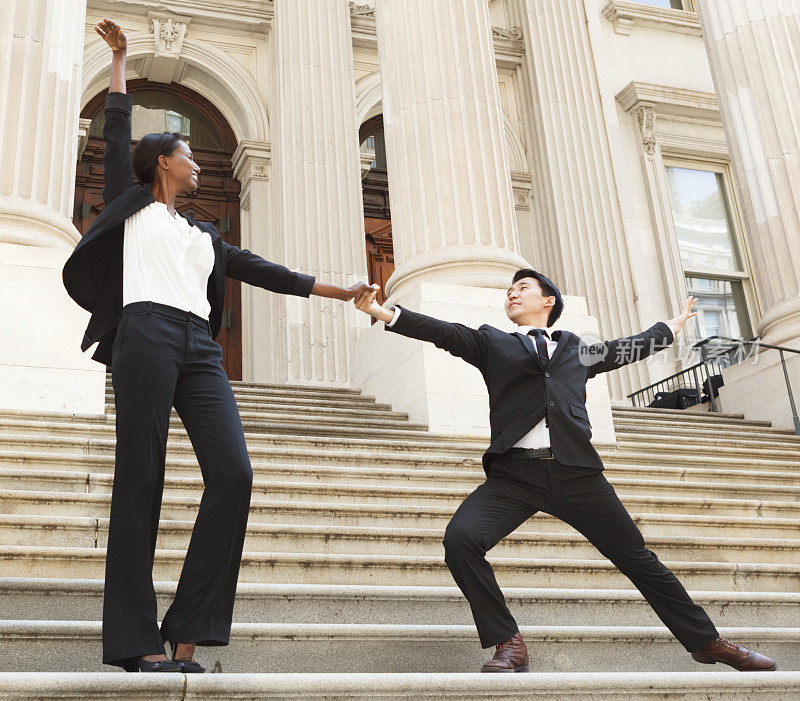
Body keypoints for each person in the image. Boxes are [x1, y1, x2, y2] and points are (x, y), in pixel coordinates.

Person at [62, 19, 376, 673]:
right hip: (143, 334)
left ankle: (191, 624)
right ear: (160, 163)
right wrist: (119, 61)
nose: (199, 160)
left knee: (233, 473)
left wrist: (338, 290)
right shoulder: (132, 201)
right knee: (139, 480)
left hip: (199, 347)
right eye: (187, 152)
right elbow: (117, 128)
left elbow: (266, 271)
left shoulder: (205, 233)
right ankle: (136, 640)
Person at [353, 269, 778, 673]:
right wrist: (382, 311)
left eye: (521, 287)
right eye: (508, 291)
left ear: (548, 300)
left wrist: (671, 326)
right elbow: (442, 331)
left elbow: (627, 347)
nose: (512, 294)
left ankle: (708, 643)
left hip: (578, 475)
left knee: (639, 560)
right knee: (461, 539)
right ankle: (508, 642)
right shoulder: (492, 343)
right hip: (514, 477)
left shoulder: (577, 348)